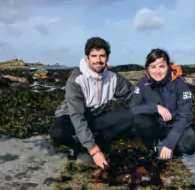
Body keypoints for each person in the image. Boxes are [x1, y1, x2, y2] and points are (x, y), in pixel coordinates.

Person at [49, 37, 136, 169]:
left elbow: (133, 94)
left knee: (132, 116)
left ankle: (96, 138)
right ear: (87, 57)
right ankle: (76, 145)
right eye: (94, 56)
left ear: (107, 58)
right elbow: (77, 116)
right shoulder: (76, 80)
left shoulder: (114, 78)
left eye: (102, 56)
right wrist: (94, 151)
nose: (98, 60)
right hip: (71, 117)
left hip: (97, 116)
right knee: (57, 132)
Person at [129, 48, 195, 160]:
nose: (157, 71)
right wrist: (155, 107)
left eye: (162, 66)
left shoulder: (180, 85)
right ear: (147, 68)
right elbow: (132, 109)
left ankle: (175, 150)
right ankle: (150, 148)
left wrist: (169, 144)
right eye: (153, 67)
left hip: (174, 125)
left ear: (168, 66)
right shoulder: (142, 83)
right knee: (138, 120)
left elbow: (184, 116)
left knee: (190, 146)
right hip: (155, 124)